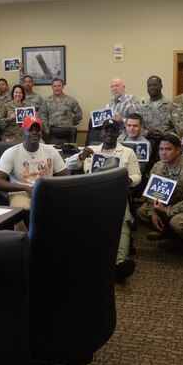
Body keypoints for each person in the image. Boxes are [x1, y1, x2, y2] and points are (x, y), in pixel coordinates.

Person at [66, 119, 140, 281]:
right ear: (100, 133)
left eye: (113, 131)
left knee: (123, 218)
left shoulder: (128, 152)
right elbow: (68, 166)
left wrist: (126, 179)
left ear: (118, 133)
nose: (109, 134)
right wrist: (80, 156)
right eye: (106, 130)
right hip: (90, 195)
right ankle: (85, 261)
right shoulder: (90, 150)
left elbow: (137, 177)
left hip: (115, 195)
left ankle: (120, 264)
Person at [136, 133, 183, 261]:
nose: (163, 153)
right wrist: (152, 213)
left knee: (178, 222)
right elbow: (151, 195)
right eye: (161, 149)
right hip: (170, 205)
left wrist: (167, 211)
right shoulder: (158, 167)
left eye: (168, 149)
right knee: (142, 212)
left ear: (178, 150)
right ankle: (176, 238)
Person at [0, 116, 69, 232]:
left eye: (37, 130)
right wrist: (26, 187)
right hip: (21, 193)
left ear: (41, 133)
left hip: (46, 192)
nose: (34, 133)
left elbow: (66, 176)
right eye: (30, 130)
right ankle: (22, 244)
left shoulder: (51, 151)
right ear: (23, 133)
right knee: (20, 211)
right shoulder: (11, 153)